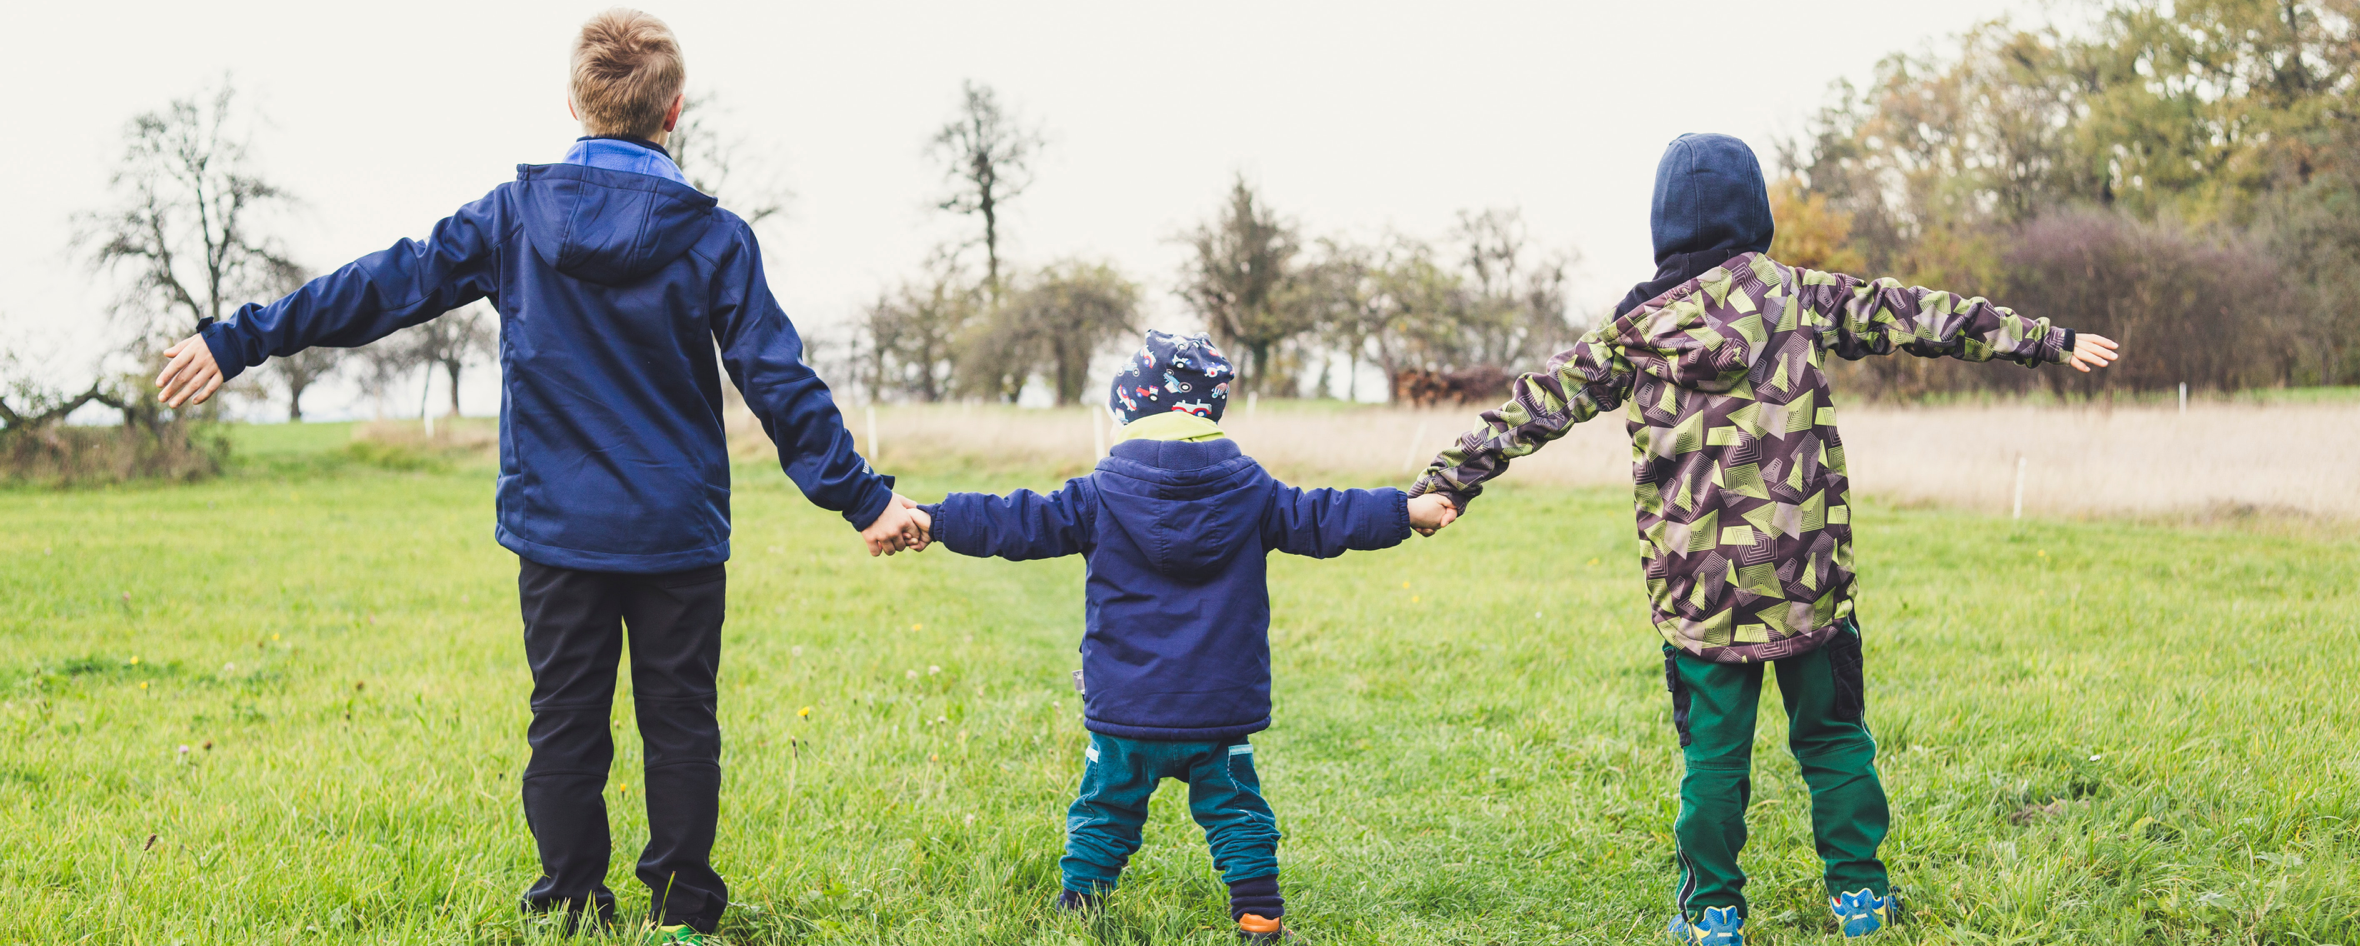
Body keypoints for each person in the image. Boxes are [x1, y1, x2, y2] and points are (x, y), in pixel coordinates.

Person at [149, 9, 926, 942]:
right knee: (681, 722)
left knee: (564, 722)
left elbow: (381, 286)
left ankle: (568, 905)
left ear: (572, 101)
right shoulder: (716, 237)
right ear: (674, 110)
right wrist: (864, 498)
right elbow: (778, 381)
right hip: (675, 531)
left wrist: (239, 338)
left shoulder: (513, 218)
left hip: (558, 529)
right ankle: (682, 915)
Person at [1407, 133, 2119, 945]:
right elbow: (1917, 314)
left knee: (1713, 763)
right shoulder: (1796, 297)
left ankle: (1712, 911)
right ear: (1757, 214)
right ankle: (1860, 898)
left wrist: (1447, 481)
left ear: (1663, 226)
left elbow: (1535, 404)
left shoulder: (1632, 333)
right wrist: (2046, 340)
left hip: (1701, 596)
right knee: (1833, 740)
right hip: (1806, 578)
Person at [902, 330, 1454, 944]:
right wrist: (1406, 511)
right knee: (1238, 814)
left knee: (1105, 809)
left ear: (1130, 409)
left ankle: (1079, 907)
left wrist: (936, 518)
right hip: (1216, 708)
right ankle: (1259, 917)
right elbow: (1327, 515)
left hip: (1125, 708)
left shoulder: (1098, 494)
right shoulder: (1254, 491)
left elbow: (1017, 520)